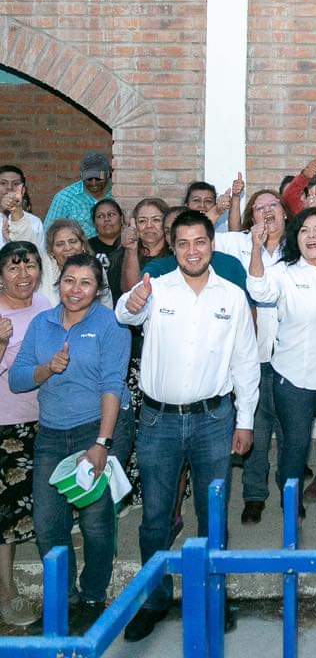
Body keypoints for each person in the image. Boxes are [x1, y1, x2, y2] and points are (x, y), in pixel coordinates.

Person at [116, 210, 259, 643]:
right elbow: (125, 314)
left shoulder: (232, 296)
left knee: (212, 516)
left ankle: (213, 597)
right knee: (155, 518)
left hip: (214, 420)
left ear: (211, 244)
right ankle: (154, 599)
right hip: (158, 420)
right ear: (172, 247)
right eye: (183, 244)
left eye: (200, 242)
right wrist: (131, 302)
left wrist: (246, 420)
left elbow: (246, 363)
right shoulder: (154, 289)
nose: (192, 251)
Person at [10, 253, 132, 634]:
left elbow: (113, 385)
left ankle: (93, 596)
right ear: (58, 282)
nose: (75, 290)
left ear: (98, 291)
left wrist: (102, 443)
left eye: (85, 283)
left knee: (96, 523)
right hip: (50, 434)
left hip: (93, 429)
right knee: (48, 524)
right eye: (68, 280)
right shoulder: (42, 323)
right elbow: (17, 379)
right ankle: (64, 600)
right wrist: (48, 369)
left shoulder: (110, 325)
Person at [246, 208, 316, 545]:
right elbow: (260, 291)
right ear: (295, 237)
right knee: (294, 448)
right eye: (304, 230)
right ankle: (291, 515)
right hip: (293, 378)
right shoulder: (283, 272)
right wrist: (255, 248)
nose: (311, 236)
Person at [0, 242, 50, 628]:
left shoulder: (48, 307)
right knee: (6, 519)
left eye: (30, 266)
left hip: (46, 422)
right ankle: (8, 594)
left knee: (38, 506)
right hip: (3, 427)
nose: (23, 275)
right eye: (14, 268)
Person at [36, 221, 112, 310]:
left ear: (83, 245)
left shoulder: (95, 268)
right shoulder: (43, 269)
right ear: (51, 251)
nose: (68, 248)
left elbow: (106, 305)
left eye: (73, 241)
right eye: (60, 244)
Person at [43, 153, 112, 239]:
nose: (94, 183)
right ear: (81, 175)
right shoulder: (65, 197)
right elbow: (48, 233)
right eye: (89, 178)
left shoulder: (118, 193)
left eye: (98, 178)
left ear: (108, 174)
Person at [119, 198, 170, 293]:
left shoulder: (175, 255)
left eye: (156, 220)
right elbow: (129, 292)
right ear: (134, 224)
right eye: (142, 221)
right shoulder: (121, 255)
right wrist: (131, 250)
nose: (149, 225)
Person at [89, 199, 125, 305]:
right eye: (100, 216)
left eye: (111, 214)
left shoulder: (132, 246)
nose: (106, 219)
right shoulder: (86, 247)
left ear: (121, 218)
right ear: (94, 223)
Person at [0, 167, 43, 249]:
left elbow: (39, 255)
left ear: (23, 190)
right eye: (3, 183)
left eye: (15, 184)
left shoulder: (34, 222)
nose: (9, 187)